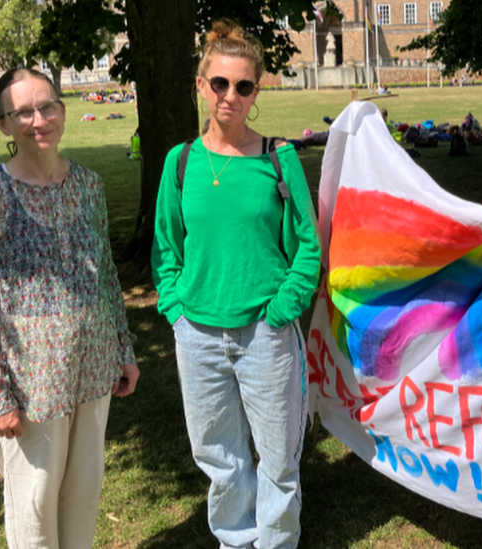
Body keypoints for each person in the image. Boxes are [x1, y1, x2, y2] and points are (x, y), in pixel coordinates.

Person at [152, 20, 321, 549]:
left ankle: (274, 542)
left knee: (278, 458)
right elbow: (165, 248)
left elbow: (308, 247)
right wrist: (176, 308)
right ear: (202, 85)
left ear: (256, 92)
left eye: (243, 86)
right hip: (197, 336)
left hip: (264, 335)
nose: (231, 96)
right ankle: (233, 540)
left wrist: (279, 313)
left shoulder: (279, 158)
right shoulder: (179, 163)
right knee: (219, 457)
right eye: (220, 84)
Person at [0, 67, 140, 549]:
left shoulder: (89, 185)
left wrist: (124, 347)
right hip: (30, 383)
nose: (39, 119)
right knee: (35, 507)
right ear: (3, 124)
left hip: (93, 368)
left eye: (47, 106)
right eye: (23, 112)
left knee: (83, 497)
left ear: (61, 109)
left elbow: (104, 272)